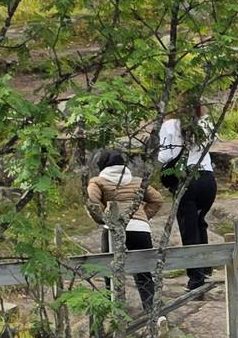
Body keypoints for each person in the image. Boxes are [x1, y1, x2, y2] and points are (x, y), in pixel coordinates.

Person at [85, 149, 168, 308]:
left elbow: (92, 202)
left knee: (110, 270)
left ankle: (114, 310)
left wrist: (103, 220)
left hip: (113, 230)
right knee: (143, 272)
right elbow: (157, 200)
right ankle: (154, 312)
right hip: (140, 230)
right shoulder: (138, 181)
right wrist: (142, 216)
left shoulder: (97, 182)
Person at [156, 107, 220, 291]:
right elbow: (212, 142)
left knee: (189, 228)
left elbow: (166, 155)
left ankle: (196, 278)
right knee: (200, 222)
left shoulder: (170, 124)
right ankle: (205, 267)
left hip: (186, 179)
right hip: (207, 180)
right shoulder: (205, 121)